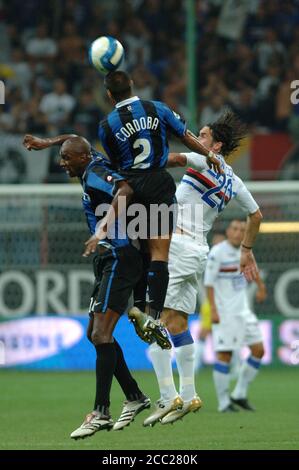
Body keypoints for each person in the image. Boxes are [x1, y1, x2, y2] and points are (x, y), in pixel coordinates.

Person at [23, 134, 152, 436]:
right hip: (109, 259)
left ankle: (101, 411)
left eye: (67, 158)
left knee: (101, 333)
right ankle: (134, 396)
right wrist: (47, 142)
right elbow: (73, 138)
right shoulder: (89, 160)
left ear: (81, 158)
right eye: (62, 157)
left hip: (119, 255)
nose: (62, 162)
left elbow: (125, 188)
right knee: (94, 334)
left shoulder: (94, 173)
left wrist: (103, 229)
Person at [142, 111, 263, 426]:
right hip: (198, 251)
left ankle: (168, 397)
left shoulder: (201, 160)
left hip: (178, 246)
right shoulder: (233, 179)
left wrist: (138, 155)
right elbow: (257, 215)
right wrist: (247, 251)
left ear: (217, 145)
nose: (197, 137)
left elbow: (166, 159)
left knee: (152, 321)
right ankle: (190, 393)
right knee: (178, 323)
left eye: (204, 135)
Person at [99, 71, 222, 343]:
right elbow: (186, 135)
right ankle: (154, 316)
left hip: (130, 188)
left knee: (141, 249)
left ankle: (140, 306)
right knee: (159, 253)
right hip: (158, 183)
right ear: (132, 85)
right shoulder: (157, 108)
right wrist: (209, 154)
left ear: (109, 95)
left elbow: (116, 163)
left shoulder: (106, 126)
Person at [204, 219, 266, 412]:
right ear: (228, 232)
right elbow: (209, 283)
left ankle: (239, 393)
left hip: (243, 311)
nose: (239, 233)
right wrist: (213, 309)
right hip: (225, 312)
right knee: (225, 354)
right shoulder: (217, 253)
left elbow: (252, 269)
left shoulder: (245, 251)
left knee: (259, 350)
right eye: (235, 229)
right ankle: (223, 403)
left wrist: (261, 287)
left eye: (242, 229)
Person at [194, 231, 226, 371]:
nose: (217, 245)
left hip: (226, 303)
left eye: (220, 243)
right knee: (204, 332)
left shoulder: (230, 259)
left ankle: (235, 367)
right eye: (215, 243)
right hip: (210, 301)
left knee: (227, 336)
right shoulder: (207, 259)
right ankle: (195, 366)